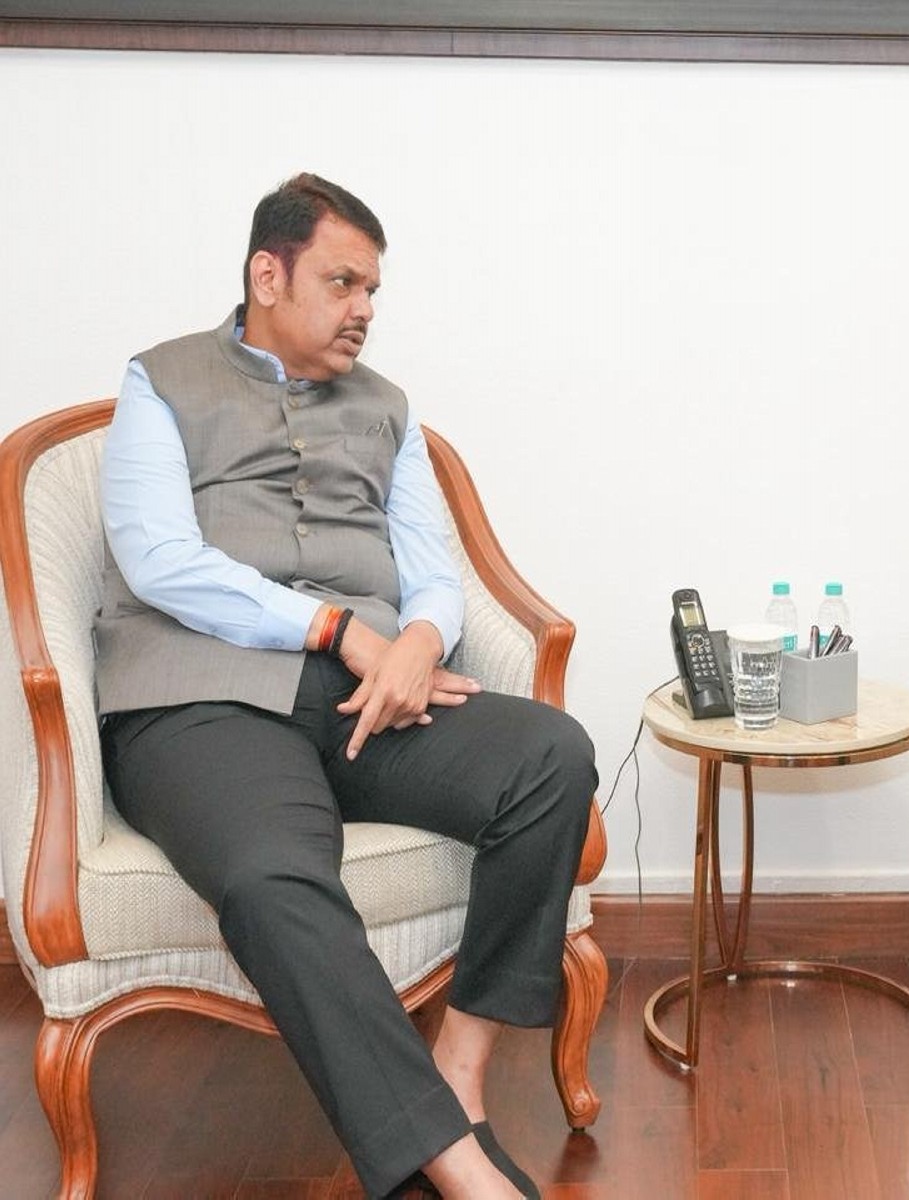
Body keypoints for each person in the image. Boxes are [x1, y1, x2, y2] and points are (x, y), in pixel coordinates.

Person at [95, 173, 597, 1199]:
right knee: (269, 874)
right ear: (266, 275)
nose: (364, 308)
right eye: (342, 283)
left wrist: (420, 640)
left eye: (372, 289)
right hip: (201, 701)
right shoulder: (162, 380)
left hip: (364, 697)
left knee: (549, 755)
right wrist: (335, 630)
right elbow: (158, 560)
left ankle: (459, 1076)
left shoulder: (387, 408)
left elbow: (434, 569)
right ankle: (453, 1162)